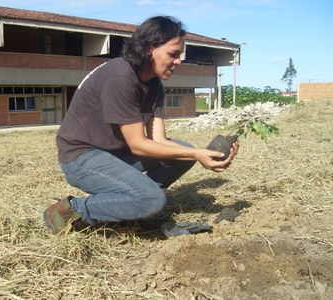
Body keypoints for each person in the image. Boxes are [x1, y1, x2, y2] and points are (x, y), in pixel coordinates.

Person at [43, 16, 239, 235]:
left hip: (114, 153)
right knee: (153, 197)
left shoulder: (154, 84)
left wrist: (199, 153)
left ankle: (134, 207)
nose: (179, 61)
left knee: (181, 151)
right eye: (173, 54)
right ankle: (68, 211)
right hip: (80, 157)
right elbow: (138, 145)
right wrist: (196, 154)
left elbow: (158, 141)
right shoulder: (120, 76)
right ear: (148, 48)